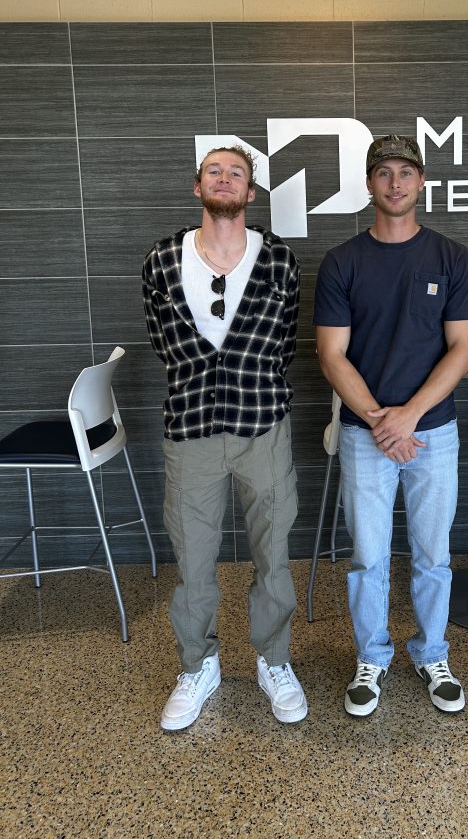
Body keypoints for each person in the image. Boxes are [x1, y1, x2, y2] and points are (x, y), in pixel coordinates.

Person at [314, 134, 468, 717]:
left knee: (434, 554)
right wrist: (380, 421)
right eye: (383, 173)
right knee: (369, 557)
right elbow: (333, 355)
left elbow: (462, 348)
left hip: (433, 432)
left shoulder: (451, 258)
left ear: (421, 181)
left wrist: (407, 417)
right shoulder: (343, 262)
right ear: (368, 185)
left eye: (405, 172)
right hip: (366, 434)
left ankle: (432, 652)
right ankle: (372, 657)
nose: (394, 183)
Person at [142, 145, 307, 730]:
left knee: (273, 555)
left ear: (251, 193)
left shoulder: (280, 261)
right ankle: (197, 666)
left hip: (263, 424)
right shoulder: (162, 260)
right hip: (189, 427)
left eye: (236, 172)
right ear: (198, 187)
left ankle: (275, 662)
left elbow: (283, 346)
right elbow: (164, 345)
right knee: (193, 559)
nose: (224, 178)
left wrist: (245, 380)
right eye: (214, 170)